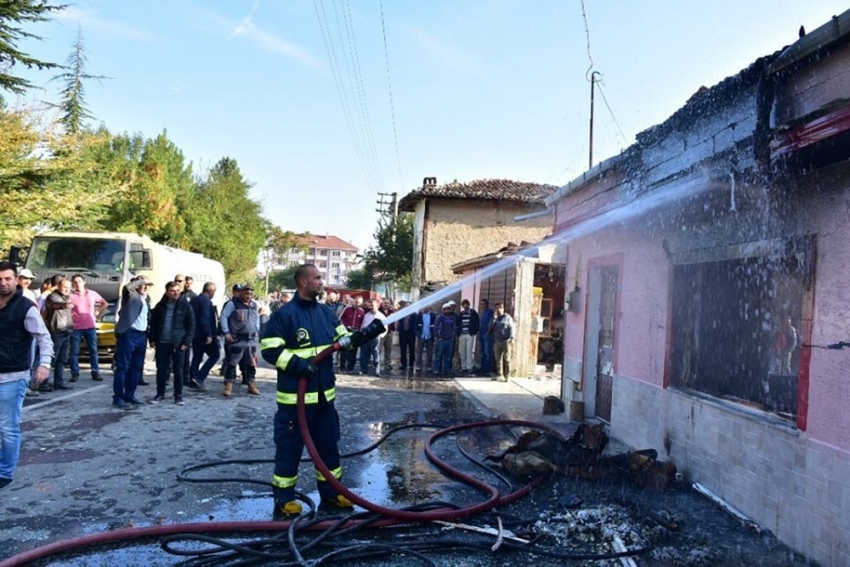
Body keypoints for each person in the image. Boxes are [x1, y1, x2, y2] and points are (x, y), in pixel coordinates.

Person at [260, 264, 356, 517]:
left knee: (328, 447)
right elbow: (270, 349)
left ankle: (332, 493)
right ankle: (284, 498)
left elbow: (340, 339)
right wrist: (299, 365)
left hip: (324, 398)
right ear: (303, 282)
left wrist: (356, 338)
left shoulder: (326, 313)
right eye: (317, 278)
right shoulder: (285, 315)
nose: (321, 282)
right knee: (289, 449)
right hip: (295, 401)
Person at [0, 261, 54, 491]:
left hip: (12, 376)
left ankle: (5, 472)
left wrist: (44, 364)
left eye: (7, 279)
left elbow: (44, 337)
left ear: (16, 280)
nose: (3, 283)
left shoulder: (25, 307)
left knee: (7, 427)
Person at [148, 281, 196, 405]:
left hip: (179, 343)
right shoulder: (160, 306)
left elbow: (191, 325)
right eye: (172, 291)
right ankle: (160, 394)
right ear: (167, 292)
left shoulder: (185, 306)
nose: (175, 293)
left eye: (177, 291)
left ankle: (178, 396)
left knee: (178, 371)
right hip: (162, 342)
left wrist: (186, 342)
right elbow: (153, 323)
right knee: (161, 370)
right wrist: (152, 339)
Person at [112, 276, 151, 409]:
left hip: (142, 335)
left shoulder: (146, 299)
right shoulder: (131, 295)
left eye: (147, 284)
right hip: (129, 333)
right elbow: (126, 288)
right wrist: (140, 280)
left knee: (136, 368)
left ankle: (130, 395)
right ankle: (118, 398)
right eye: (143, 284)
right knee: (123, 367)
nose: (145, 287)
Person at [220, 284, 261, 397]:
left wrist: (257, 331)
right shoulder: (232, 304)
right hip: (237, 339)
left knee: (251, 364)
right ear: (241, 293)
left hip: (250, 340)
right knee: (232, 363)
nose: (248, 296)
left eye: (251, 294)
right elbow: (223, 317)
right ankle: (228, 385)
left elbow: (256, 319)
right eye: (246, 293)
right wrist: (226, 332)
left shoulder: (254, 305)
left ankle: (251, 385)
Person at [69, 274, 106, 382]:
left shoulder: (92, 294)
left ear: (84, 282)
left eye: (79, 281)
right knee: (74, 351)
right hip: (76, 327)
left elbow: (105, 303)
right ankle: (74, 373)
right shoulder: (71, 295)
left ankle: (95, 372)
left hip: (90, 326)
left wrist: (97, 311)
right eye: (75, 282)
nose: (77, 284)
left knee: (93, 351)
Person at [42, 277, 75, 392]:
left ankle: (58, 382)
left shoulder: (67, 297)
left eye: (69, 287)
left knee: (62, 359)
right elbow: (54, 305)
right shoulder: (52, 296)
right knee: (51, 359)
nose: (67, 289)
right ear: (58, 286)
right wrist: (64, 305)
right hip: (56, 332)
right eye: (65, 287)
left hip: (66, 331)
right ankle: (43, 383)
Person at [189, 282, 220, 390]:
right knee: (215, 355)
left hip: (195, 334)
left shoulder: (195, 300)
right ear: (210, 291)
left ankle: (192, 378)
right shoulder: (206, 301)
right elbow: (205, 318)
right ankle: (200, 377)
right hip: (204, 334)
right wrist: (209, 335)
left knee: (197, 356)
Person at [489, 302, 515, 382]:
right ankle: (500, 375)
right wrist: (494, 318)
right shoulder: (495, 318)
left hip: (506, 341)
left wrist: (512, 338)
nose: (498, 309)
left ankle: (508, 375)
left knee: (507, 358)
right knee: (498, 359)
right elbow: (490, 328)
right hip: (497, 341)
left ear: (503, 309)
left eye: (499, 308)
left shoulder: (507, 318)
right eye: (496, 308)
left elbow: (511, 328)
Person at [359, 299, 386, 376]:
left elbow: (385, 328)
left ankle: (377, 371)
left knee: (376, 354)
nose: (371, 307)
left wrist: (380, 336)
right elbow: (362, 326)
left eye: (372, 305)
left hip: (375, 338)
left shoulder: (381, 316)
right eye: (370, 305)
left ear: (377, 306)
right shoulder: (366, 315)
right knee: (364, 354)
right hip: (365, 337)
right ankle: (363, 369)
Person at [338, 296, 364, 372]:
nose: (357, 303)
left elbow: (363, 323)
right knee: (344, 350)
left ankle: (350, 367)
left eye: (359, 302)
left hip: (355, 333)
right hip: (346, 331)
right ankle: (342, 368)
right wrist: (343, 328)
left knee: (353, 351)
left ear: (361, 303)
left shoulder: (362, 311)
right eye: (356, 301)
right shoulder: (347, 309)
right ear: (353, 301)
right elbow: (340, 319)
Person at [456, 299, 480, 375]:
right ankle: (463, 367)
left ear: (468, 305)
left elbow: (477, 323)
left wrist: (474, 332)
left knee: (469, 351)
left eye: (466, 304)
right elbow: (458, 324)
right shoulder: (461, 314)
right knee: (462, 351)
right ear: (462, 306)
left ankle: (469, 367)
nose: (465, 306)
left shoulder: (473, 313)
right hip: (462, 334)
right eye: (463, 304)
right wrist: (458, 333)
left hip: (470, 334)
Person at [433, 303, 457, 376]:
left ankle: (447, 369)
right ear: (443, 310)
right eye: (446, 309)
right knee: (438, 355)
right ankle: (436, 369)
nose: (447, 310)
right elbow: (436, 328)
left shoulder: (453, 318)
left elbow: (455, 328)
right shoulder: (439, 317)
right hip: (441, 339)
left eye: (448, 309)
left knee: (448, 356)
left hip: (450, 340)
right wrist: (438, 336)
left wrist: (453, 336)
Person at [395, 301, 417, 372]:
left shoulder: (414, 314)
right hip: (403, 333)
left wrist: (414, 331)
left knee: (411, 350)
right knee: (403, 349)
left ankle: (411, 364)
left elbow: (415, 323)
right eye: (406, 305)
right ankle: (403, 364)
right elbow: (398, 322)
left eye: (409, 306)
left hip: (411, 334)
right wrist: (398, 330)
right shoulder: (401, 314)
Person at [477, 299, 494, 376]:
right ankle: (482, 367)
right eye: (481, 304)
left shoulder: (490, 312)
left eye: (484, 304)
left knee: (487, 352)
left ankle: (486, 369)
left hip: (487, 335)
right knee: (483, 351)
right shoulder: (481, 313)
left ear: (487, 304)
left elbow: (492, 323)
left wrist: (488, 332)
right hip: (481, 334)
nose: (482, 305)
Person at [416, 305, 435, 372]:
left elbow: (434, 325)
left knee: (429, 351)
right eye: (424, 307)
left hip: (429, 335)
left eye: (427, 306)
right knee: (419, 351)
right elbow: (417, 325)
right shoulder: (419, 315)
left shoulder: (433, 315)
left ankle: (429, 366)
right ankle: (418, 365)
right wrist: (418, 333)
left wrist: (433, 334)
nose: (426, 308)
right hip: (421, 335)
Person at [378, 299, 395, 372]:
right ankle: (377, 363)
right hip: (380, 333)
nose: (386, 304)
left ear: (390, 304)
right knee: (379, 349)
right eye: (384, 303)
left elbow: (394, 321)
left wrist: (393, 329)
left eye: (387, 303)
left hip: (389, 332)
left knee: (388, 349)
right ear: (382, 303)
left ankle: (387, 364)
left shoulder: (391, 312)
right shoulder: (378, 311)